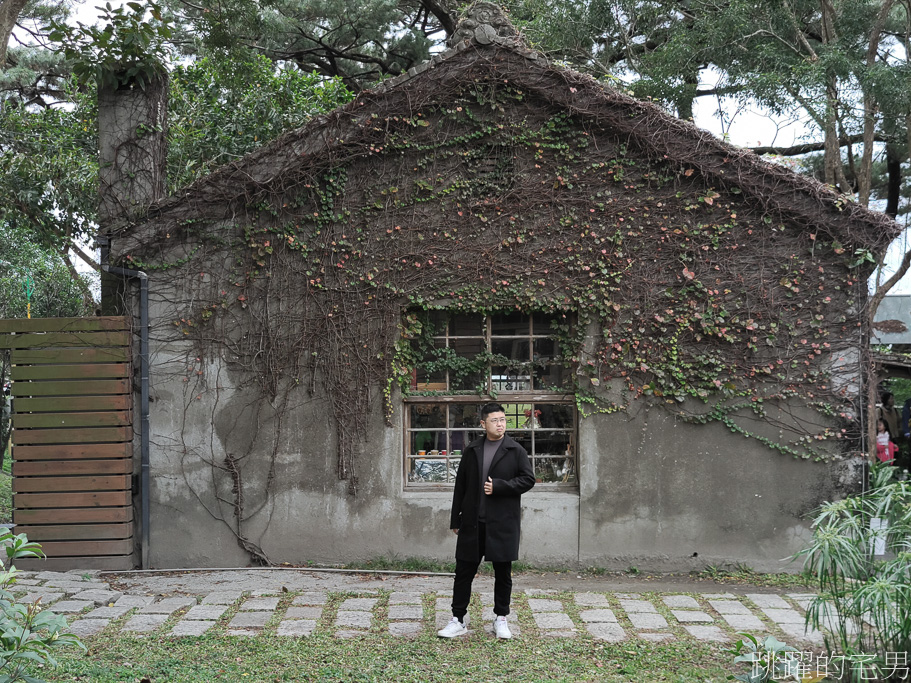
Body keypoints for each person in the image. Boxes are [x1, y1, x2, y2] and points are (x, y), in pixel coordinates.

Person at [437, 402, 535, 640]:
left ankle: (501, 618)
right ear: (483, 424)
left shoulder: (515, 450)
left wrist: (500, 486)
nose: (500, 424)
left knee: (503, 573)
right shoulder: (472, 450)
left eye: (502, 420)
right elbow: (460, 486)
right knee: (463, 572)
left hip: (503, 523)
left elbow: (528, 479)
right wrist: (455, 518)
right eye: (495, 420)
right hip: (472, 523)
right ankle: (457, 619)